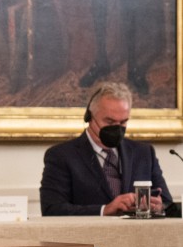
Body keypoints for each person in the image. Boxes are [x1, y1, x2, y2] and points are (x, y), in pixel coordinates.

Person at [40, 81, 171, 216]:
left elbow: (168, 203)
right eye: (109, 122)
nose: (117, 128)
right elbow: (52, 209)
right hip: (88, 236)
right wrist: (104, 210)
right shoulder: (61, 156)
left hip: (137, 235)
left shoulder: (144, 153)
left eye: (123, 122)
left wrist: (159, 207)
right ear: (89, 117)